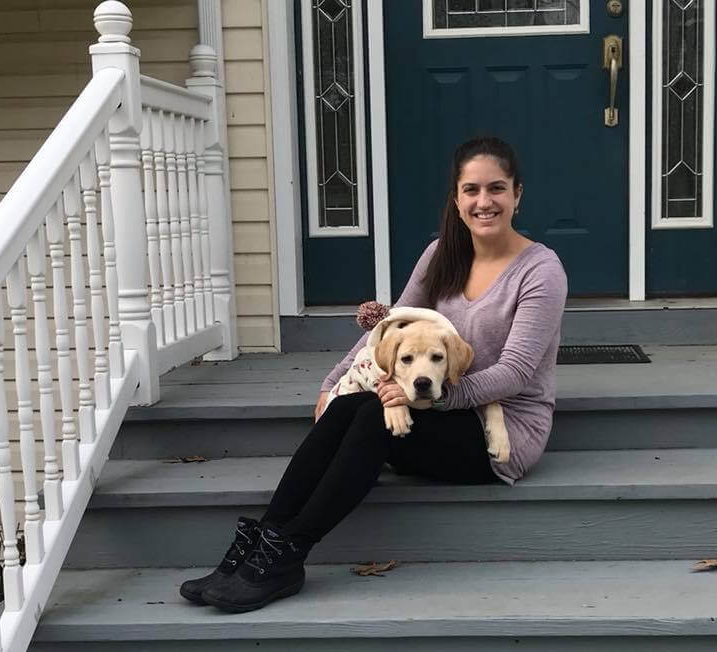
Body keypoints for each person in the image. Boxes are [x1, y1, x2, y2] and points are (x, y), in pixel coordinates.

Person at [180, 136, 568, 613]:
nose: (483, 202)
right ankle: (259, 545)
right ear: (456, 198)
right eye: (471, 190)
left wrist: (427, 399)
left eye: (496, 189)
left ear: (517, 194)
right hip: (432, 410)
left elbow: (515, 372)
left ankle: (286, 555)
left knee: (371, 418)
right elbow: (389, 329)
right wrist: (332, 381)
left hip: (502, 430)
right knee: (349, 405)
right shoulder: (441, 254)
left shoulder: (540, 271)